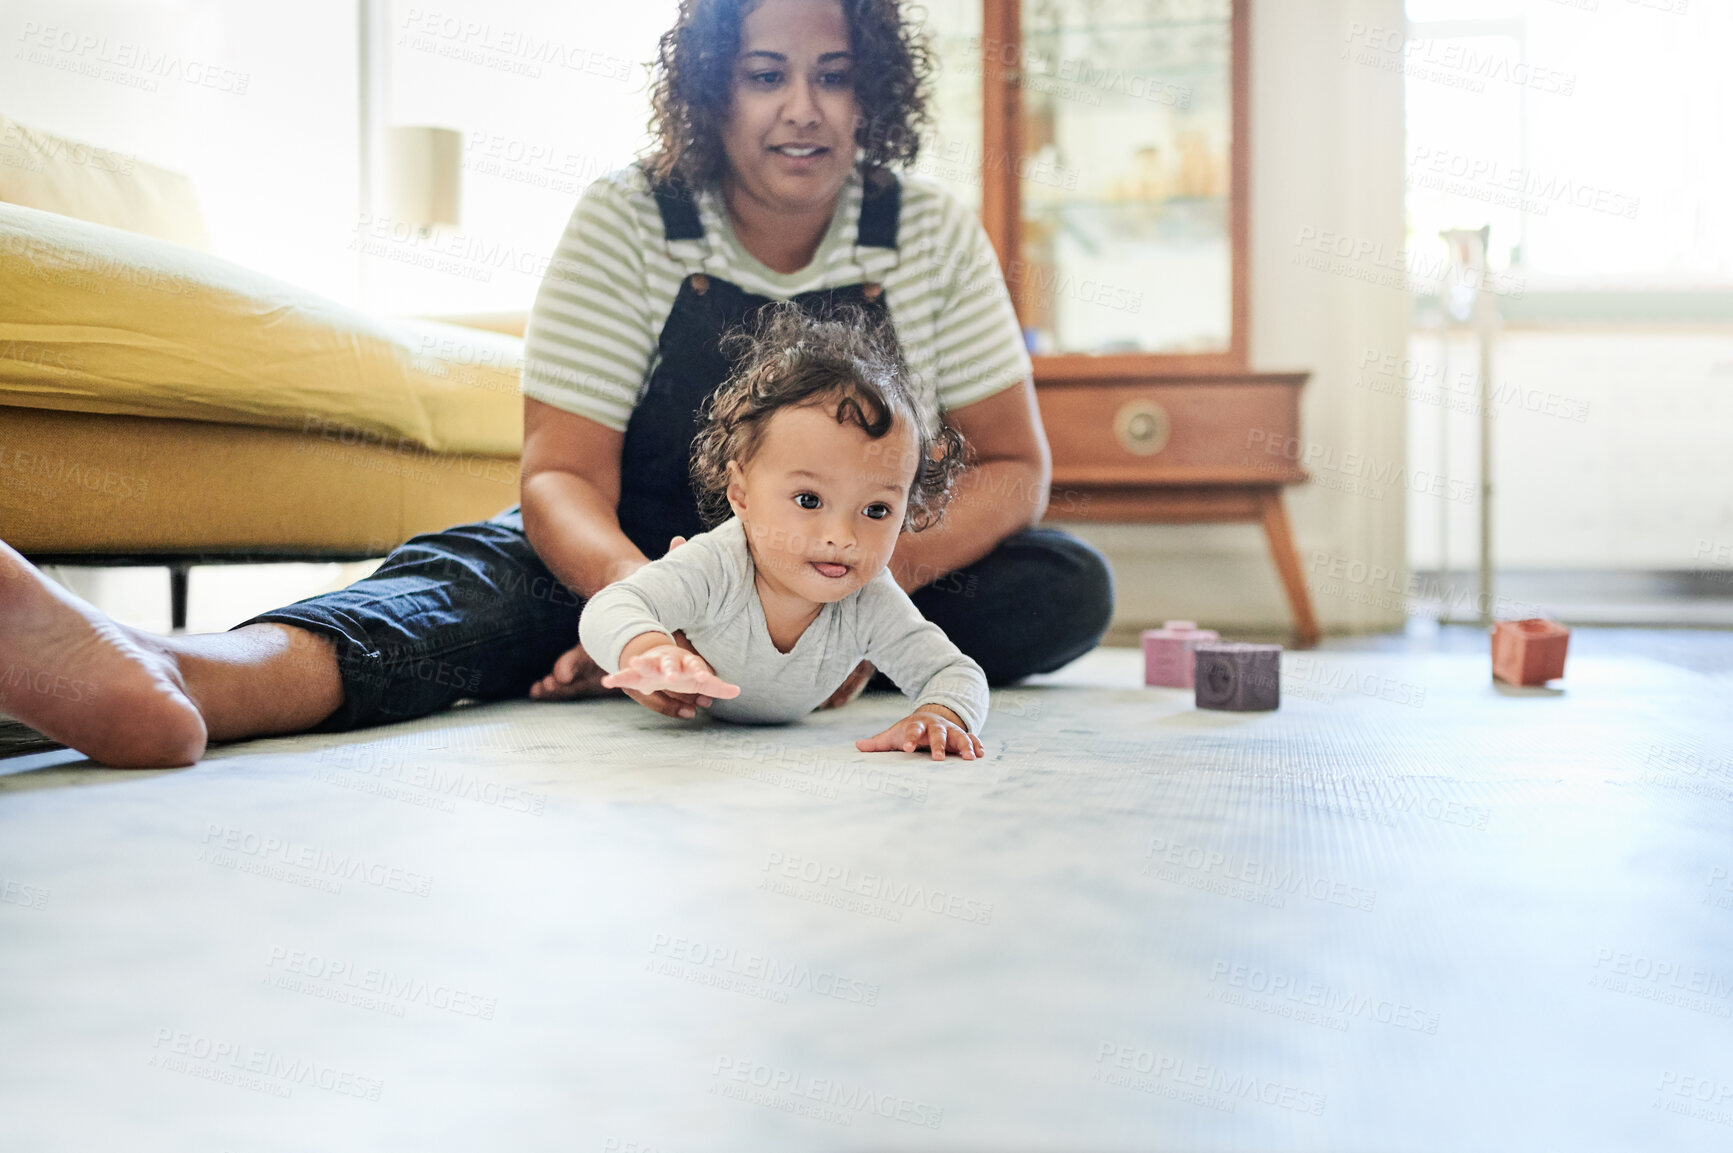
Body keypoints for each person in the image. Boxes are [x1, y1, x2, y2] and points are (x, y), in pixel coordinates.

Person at [0, 0, 1113, 769]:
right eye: (765, 75)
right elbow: (558, 476)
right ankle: (179, 674)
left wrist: (846, 594)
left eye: (833, 76)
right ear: (712, 91)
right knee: (465, 595)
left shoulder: (930, 231)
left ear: (875, 91)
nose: (802, 109)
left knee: (1062, 583)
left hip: (849, 559)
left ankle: (688, 653)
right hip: (632, 548)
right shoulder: (627, 216)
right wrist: (648, 617)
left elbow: (1013, 466)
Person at [582, 303, 988, 759]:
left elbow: (956, 673)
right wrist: (650, 649)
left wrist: (940, 714)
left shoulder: (869, 598)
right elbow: (610, 605)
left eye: (876, 510)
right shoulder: (717, 564)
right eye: (809, 500)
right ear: (741, 495)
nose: (841, 537)